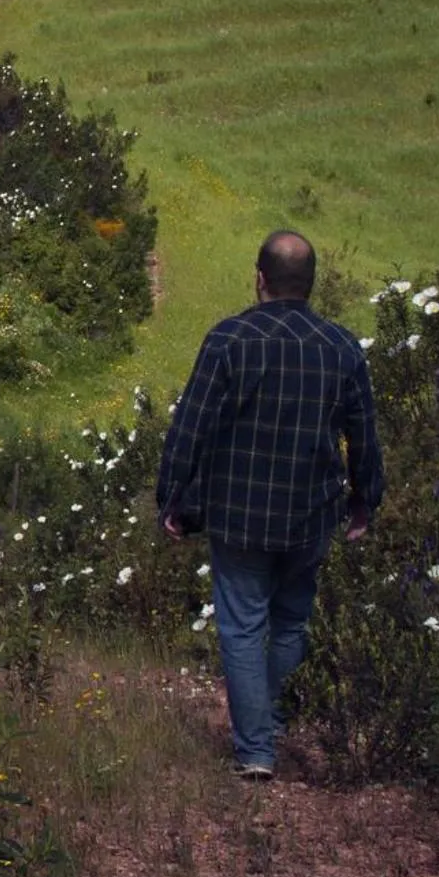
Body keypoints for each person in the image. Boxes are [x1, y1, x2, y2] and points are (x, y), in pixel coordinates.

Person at [157, 230, 383, 781]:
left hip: (238, 512)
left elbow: (191, 427)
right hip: (311, 513)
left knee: (240, 626)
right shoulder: (342, 347)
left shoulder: (228, 340)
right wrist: (364, 501)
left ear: (259, 278)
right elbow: (364, 434)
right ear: (310, 284)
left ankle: (256, 749)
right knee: (289, 622)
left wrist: (172, 496)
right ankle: (270, 721)